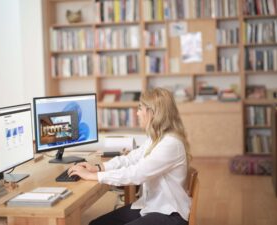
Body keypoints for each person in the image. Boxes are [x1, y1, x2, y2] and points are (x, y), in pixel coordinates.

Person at [68, 87, 192, 225]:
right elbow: (131, 158)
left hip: (170, 214)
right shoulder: (156, 138)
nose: (137, 113)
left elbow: (137, 174)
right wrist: (99, 167)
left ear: (153, 113)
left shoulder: (170, 143)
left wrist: (93, 176)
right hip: (151, 206)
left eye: (140, 108)